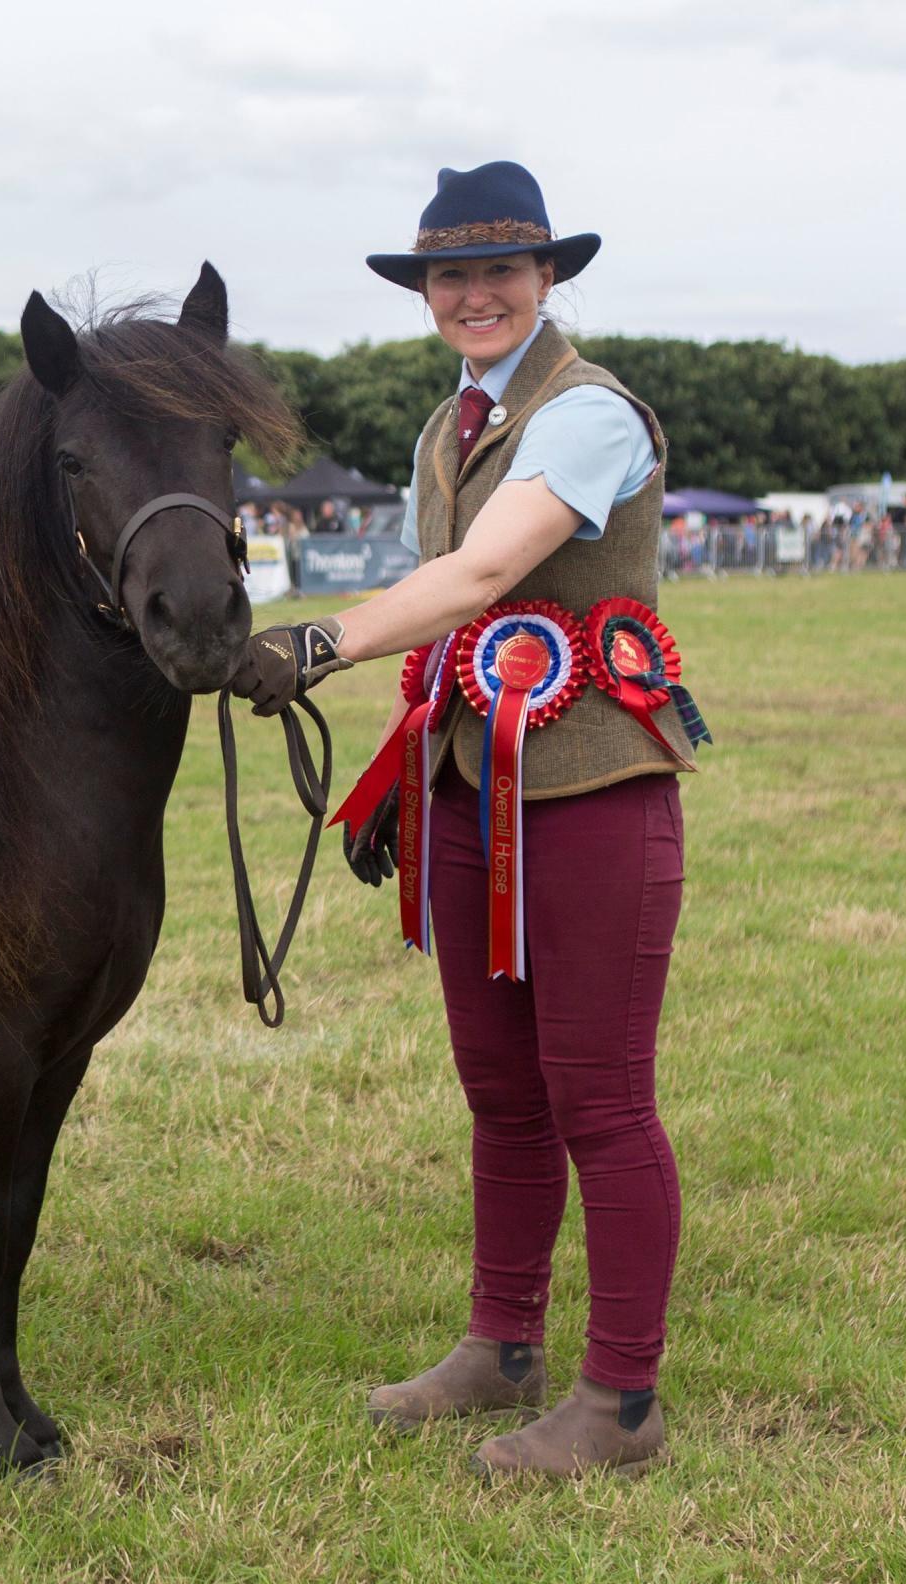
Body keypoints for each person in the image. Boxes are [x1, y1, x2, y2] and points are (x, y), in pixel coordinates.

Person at [231, 161, 696, 1481]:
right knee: (502, 1097)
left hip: (596, 790)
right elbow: (451, 599)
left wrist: (318, 641)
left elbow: (488, 572)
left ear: (548, 279)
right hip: (469, 792)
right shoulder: (450, 429)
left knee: (599, 1103)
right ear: (427, 294)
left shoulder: (588, 412)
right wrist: (401, 765)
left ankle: (623, 1401)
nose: (475, 294)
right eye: (451, 276)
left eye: (500, 270)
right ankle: (503, 1342)